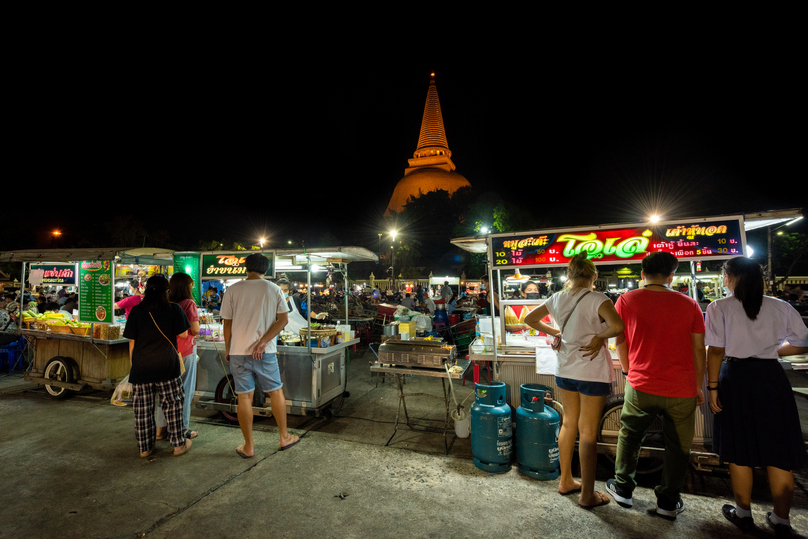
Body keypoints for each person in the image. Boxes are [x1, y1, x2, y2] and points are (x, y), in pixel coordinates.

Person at [706, 257, 808, 535]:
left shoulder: (720, 307)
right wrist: (773, 351)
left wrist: (712, 387)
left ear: (730, 277)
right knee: (778, 450)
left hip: (735, 378)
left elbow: (715, 350)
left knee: (739, 449)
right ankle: (781, 520)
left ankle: (743, 513)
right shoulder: (781, 306)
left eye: (724, 276)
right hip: (771, 378)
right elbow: (802, 341)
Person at [605, 252, 706, 520]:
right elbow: (699, 349)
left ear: (642, 274)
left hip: (641, 384)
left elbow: (619, 341)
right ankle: (668, 502)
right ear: (672, 276)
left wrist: (628, 370)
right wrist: (699, 385)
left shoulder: (626, 300)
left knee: (630, 436)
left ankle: (624, 489)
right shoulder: (690, 305)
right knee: (678, 446)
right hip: (682, 388)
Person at [525, 253, 624, 509]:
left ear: (569, 275)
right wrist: (598, 337)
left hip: (565, 370)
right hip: (591, 372)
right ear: (594, 276)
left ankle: (566, 480)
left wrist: (556, 331)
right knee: (588, 432)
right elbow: (617, 326)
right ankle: (587, 495)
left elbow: (529, 319)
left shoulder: (557, 298)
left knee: (568, 424)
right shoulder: (598, 299)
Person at [221, 253, 299, 458]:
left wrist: (228, 347)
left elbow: (226, 323)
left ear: (247, 267)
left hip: (238, 350)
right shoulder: (273, 289)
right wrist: (263, 341)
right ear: (266, 269)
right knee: (275, 391)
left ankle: (249, 446)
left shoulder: (232, 289)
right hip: (264, 352)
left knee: (244, 396)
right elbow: (283, 320)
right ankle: (284, 437)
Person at [123, 275, 192, 458]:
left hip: (141, 367)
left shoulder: (137, 311)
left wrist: (133, 365)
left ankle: (145, 448)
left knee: (143, 410)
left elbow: (132, 341)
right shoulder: (174, 309)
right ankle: (178, 445)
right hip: (167, 366)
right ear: (166, 291)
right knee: (173, 405)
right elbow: (184, 334)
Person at [155, 273, 201, 441]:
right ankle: (182, 429)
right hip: (185, 351)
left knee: (165, 392)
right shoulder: (189, 304)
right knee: (184, 391)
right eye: (191, 285)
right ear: (186, 287)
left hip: (166, 352)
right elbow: (195, 330)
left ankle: (161, 430)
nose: (193, 287)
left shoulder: (165, 303)